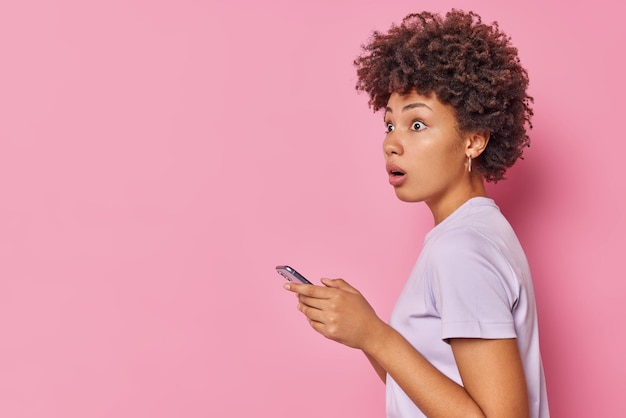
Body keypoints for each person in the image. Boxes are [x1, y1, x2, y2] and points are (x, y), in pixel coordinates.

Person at [283, 9, 549, 418]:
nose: (392, 144)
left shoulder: (463, 249)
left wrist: (376, 335)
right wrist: (365, 333)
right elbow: (428, 397)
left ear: (474, 141)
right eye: (390, 126)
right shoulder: (476, 233)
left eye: (418, 125)